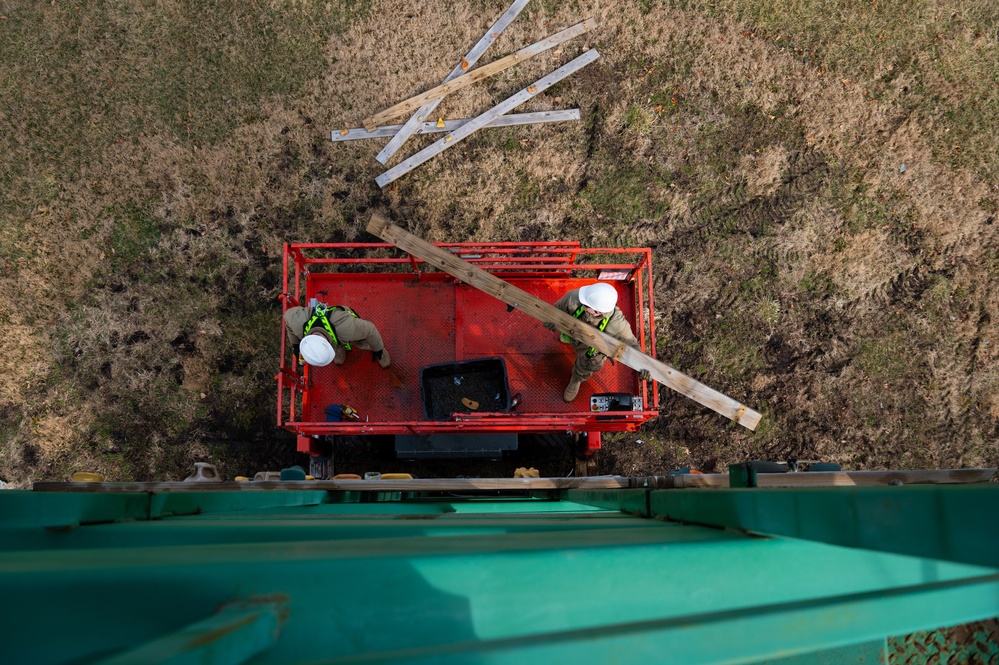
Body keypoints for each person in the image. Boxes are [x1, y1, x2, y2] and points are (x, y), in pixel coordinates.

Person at [546, 282, 651, 402]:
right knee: (567, 332)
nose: (582, 303)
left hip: (591, 350)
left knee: (587, 365)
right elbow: (558, 308)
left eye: (586, 305)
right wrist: (552, 319)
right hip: (572, 331)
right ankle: (567, 338)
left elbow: (631, 344)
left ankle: (576, 379)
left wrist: (643, 365)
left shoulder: (617, 324)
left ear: (597, 311)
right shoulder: (576, 297)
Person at [284, 302, 390, 369]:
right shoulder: (297, 323)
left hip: (343, 325)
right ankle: (340, 347)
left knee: (364, 341)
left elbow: (370, 330)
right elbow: (287, 320)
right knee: (339, 341)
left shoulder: (347, 328)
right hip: (336, 335)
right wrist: (296, 345)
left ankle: (381, 351)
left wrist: (377, 349)